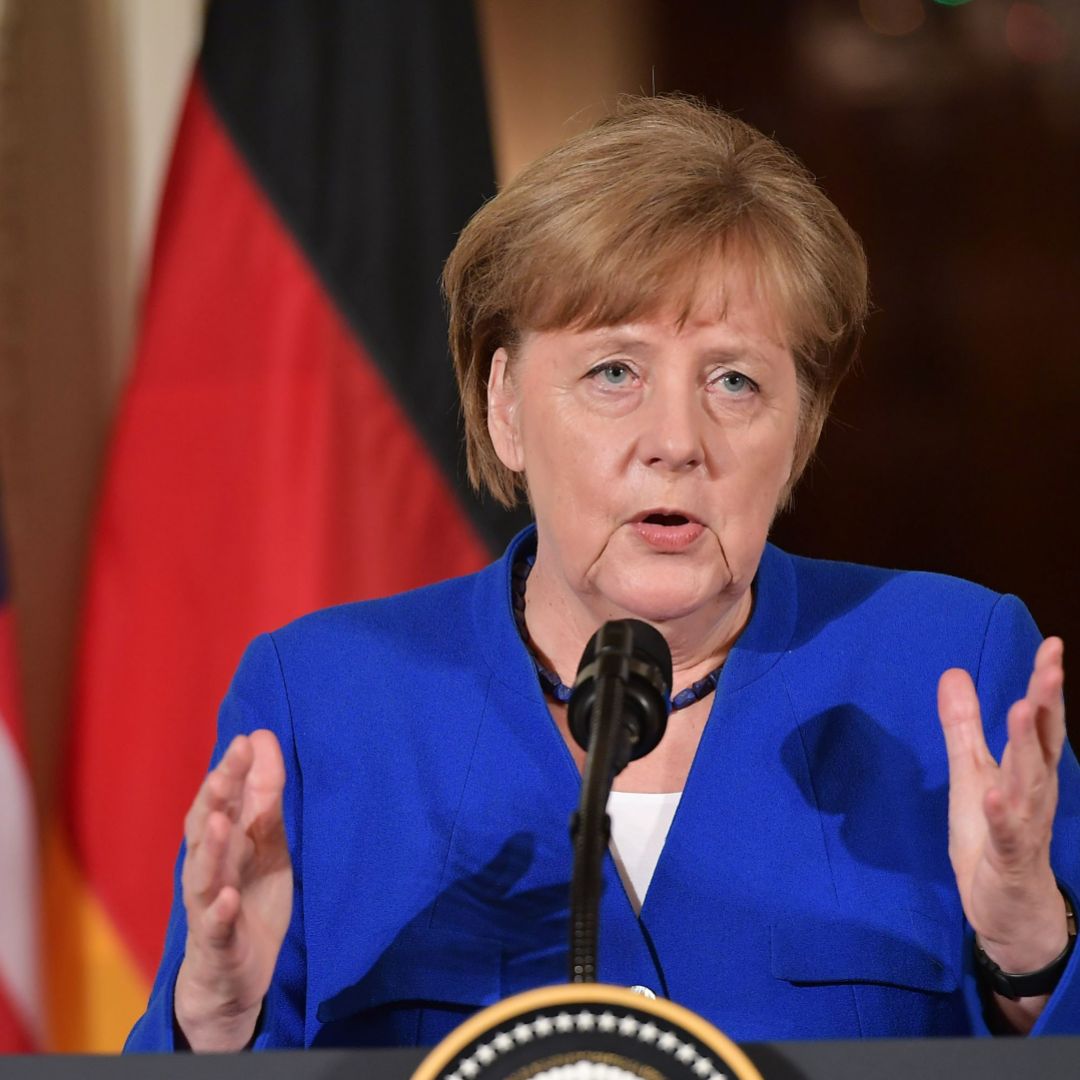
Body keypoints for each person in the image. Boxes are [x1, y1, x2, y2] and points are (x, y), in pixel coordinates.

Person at [126, 96, 1079, 1052]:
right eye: (614, 372)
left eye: (735, 381)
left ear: (801, 432)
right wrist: (211, 1016)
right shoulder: (327, 702)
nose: (676, 442)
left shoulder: (946, 670)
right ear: (505, 406)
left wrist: (1031, 951)